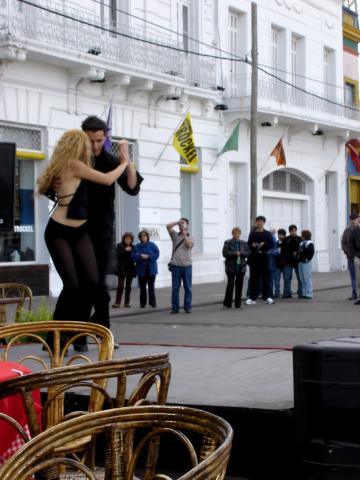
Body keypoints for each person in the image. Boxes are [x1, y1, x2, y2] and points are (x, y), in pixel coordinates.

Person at [37, 129, 129, 351]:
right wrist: (124, 162)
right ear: (77, 145)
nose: (90, 148)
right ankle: (54, 341)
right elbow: (107, 180)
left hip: (80, 232)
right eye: (86, 144)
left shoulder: (72, 166)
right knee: (72, 285)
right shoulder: (73, 164)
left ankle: (78, 333)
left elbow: (49, 186)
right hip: (58, 231)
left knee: (90, 283)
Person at [166, 218, 194, 314]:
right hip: (176, 266)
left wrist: (185, 234)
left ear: (187, 226)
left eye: (184, 224)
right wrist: (177, 222)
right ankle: (175, 308)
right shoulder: (175, 236)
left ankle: (187, 307)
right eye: (180, 224)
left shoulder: (191, 237)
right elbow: (168, 226)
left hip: (187, 266)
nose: (181, 226)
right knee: (175, 288)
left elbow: (188, 245)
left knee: (188, 288)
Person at [245, 215, 274, 305]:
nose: (259, 223)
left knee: (266, 278)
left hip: (264, 258)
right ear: (256, 222)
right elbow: (248, 244)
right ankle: (252, 297)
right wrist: (252, 245)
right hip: (254, 258)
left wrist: (264, 244)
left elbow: (271, 244)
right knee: (254, 278)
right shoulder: (252, 233)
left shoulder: (267, 233)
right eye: (258, 221)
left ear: (264, 223)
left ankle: (267, 297)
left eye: (261, 221)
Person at [222, 227, 250, 309]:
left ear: (240, 234)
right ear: (232, 234)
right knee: (230, 284)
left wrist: (241, 253)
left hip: (241, 266)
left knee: (239, 285)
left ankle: (238, 303)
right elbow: (225, 253)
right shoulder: (227, 242)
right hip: (231, 266)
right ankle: (227, 303)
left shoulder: (244, 243)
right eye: (235, 233)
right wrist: (234, 253)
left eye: (238, 233)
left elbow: (248, 253)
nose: (236, 235)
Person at [132, 230, 159, 308]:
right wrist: (140, 255)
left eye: (145, 235)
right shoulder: (137, 246)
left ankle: (152, 303)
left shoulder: (152, 245)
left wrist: (148, 256)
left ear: (147, 236)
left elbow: (156, 255)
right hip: (141, 270)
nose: (143, 237)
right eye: (141, 236)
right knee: (142, 288)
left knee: (151, 287)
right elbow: (133, 257)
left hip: (151, 270)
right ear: (140, 238)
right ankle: (142, 303)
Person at [112, 232, 136, 308]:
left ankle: (127, 303)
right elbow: (118, 255)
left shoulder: (134, 247)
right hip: (121, 268)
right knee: (120, 286)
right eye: (126, 238)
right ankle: (117, 302)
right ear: (124, 239)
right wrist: (125, 250)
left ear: (132, 240)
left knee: (128, 286)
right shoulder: (120, 245)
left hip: (130, 268)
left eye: (129, 239)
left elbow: (134, 257)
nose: (128, 240)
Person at [341, 213, 360, 300]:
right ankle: (354, 293)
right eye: (352, 219)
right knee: (353, 276)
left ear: (358, 219)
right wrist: (346, 251)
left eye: (355, 219)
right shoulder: (347, 230)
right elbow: (343, 242)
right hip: (350, 257)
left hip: (358, 257)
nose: (353, 221)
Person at [281, 225, 302, 298]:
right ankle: (287, 293)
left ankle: (300, 293)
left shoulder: (299, 239)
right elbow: (282, 251)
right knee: (287, 278)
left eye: (295, 231)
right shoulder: (286, 239)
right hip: (288, 262)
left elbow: (302, 249)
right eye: (292, 231)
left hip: (297, 262)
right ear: (289, 231)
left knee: (300, 278)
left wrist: (297, 253)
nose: (294, 232)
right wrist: (284, 259)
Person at [297, 230, 315, 299]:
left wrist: (307, 259)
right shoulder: (301, 243)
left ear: (305, 236)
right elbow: (299, 252)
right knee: (302, 278)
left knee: (307, 278)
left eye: (302, 235)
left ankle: (309, 293)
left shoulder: (310, 243)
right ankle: (304, 293)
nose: (301, 236)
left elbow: (311, 253)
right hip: (300, 262)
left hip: (306, 263)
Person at [349, 217, 360, 306]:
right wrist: (352, 255)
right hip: (357, 257)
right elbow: (350, 243)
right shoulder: (355, 230)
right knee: (358, 278)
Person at [274, 229, 286, 298]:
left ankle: (286, 293)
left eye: (281, 235)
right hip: (277, 264)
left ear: (284, 235)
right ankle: (277, 293)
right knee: (276, 280)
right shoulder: (276, 243)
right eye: (278, 235)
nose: (279, 236)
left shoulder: (287, 242)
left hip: (285, 264)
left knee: (286, 279)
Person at [267, 228, 277, 298]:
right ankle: (267, 293)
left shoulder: (273, 241)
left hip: (271, 264)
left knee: (270, 280)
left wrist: (267, 253)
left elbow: (275, 252)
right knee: (267, 280)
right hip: (266, 264)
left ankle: (270, 294)